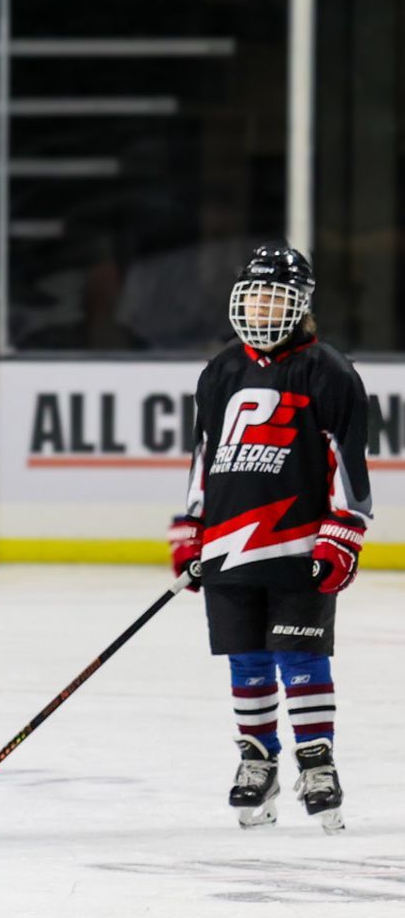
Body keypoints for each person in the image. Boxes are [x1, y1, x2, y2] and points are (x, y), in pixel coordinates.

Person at [169, 244, 369, 832]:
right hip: (230, 542)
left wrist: (344, 530)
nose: (262, 306)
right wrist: (191, 529)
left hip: (298, 543)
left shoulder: (328, 369)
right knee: (247, 657)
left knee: (301, 655)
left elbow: (349, 462)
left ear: (300, 304)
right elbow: (205, 458)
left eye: (275, 296)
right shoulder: (220, 370)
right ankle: (257, 759)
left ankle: (317, 760)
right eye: (255, 295)